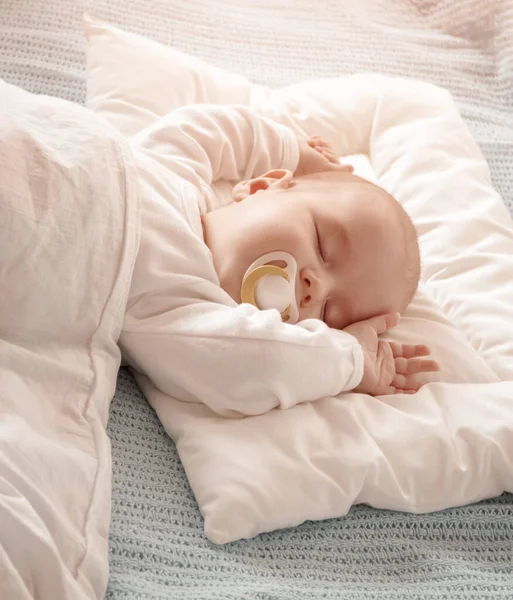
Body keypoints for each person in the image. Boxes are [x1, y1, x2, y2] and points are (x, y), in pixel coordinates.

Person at [120, 105, 439, 418]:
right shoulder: (176, 171)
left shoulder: (179, 307)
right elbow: (210, 129)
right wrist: (293, 152)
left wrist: (351, 360)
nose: (317, 286)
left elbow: (252, 364)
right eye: (323, 245)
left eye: (329, 313)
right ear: (261, 186)